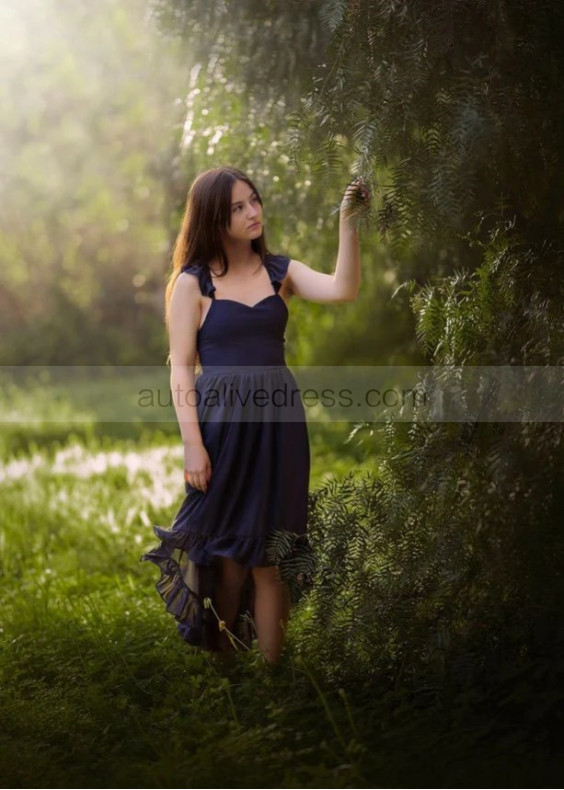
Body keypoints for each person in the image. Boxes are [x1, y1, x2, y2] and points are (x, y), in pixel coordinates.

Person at [140, 165, 369, 664]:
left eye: (254, 201)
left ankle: (273, 678)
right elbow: (181, 369)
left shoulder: (279, 271)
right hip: (221, 428)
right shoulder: (192, 284)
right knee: (227, 559)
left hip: (279, 426)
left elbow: (343, 288)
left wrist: (348, 222)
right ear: (214, 220)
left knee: (272, 558)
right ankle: (225, 668)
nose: (252, 212)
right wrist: (193, 445)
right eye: (237, 207)